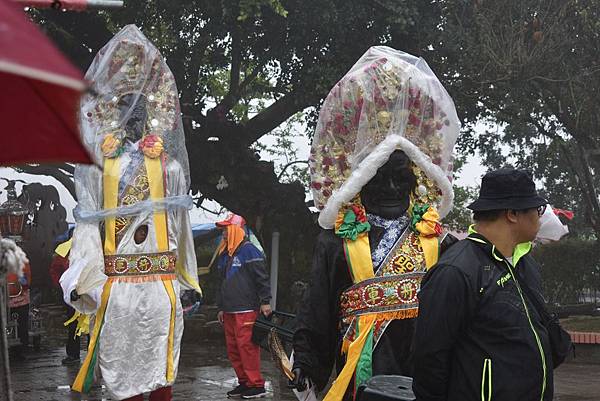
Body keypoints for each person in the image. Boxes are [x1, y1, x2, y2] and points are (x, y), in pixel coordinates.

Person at [289, 47, 460, 401]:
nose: (392, 188)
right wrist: (305, 361)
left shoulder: (437, 238)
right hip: (364, 370)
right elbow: (318, 310)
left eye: (401, 177)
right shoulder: (336, 241)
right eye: (380, 178)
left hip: (426, 369)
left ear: (416, 178)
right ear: (360, 181)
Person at [60, 25, 201, 401]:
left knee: (160, 371)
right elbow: (88, 229)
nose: (132, 115)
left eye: (141, 106)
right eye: (125, 106)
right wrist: (83, 278)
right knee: (122, 374)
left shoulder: (168, 167)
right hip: (119, 288)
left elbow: (179, 227)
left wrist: (186, 279)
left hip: (159, 286)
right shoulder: (97, 169)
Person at [412, 168, 565, 401]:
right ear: (512, 213)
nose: (540, 216)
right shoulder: (456, 271)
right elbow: (429, 361)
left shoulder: (525, 264)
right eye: (537, 209)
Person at [215, 214, 272, 399]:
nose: (223, 233)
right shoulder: (226, 253)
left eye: (226, 229)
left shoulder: (250, 251)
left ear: (236, 230)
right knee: (233, 349)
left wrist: (265, 301)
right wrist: (221, 307)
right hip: (230, 310)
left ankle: (256, 385)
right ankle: (244, 382)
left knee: (246, 348)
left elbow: (262, 278)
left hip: (246, 310)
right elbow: (222, 282)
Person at [49, 232, 83, 365]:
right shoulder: (64, 251)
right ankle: (73, 354)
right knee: (73, 325)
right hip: (71, 296)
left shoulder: (90, 249)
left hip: (89, 292)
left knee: (91, 326)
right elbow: (54, 270)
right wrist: (63, 286)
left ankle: (94, 356)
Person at [7, 259, 31, 349]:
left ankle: (22, 345)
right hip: (9, 298)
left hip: (20, 298)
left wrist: (24, 281)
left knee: (21, 324)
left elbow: (27, 279)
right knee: (21, 324)